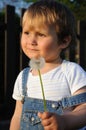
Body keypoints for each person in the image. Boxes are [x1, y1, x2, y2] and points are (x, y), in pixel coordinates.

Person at [10, 0, 86, 130]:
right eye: (26, 32)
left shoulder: (71, 71)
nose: (31, 41)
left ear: (63, 41)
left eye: (40, 34)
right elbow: (18, 115)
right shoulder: (23, 77)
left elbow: (84, 108)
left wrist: (65, 122)